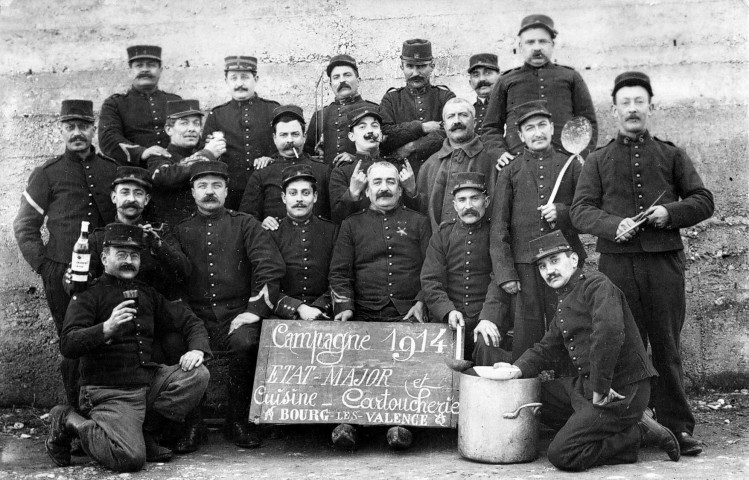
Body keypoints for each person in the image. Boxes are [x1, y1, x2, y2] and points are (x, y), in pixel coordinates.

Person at [571, 71, 714, 456]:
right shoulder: (598, 160)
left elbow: (704, 199)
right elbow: (581, 210)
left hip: (664, 265)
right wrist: (612, 224)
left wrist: (670, 213)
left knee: (666, 346)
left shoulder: (671, 155)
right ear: (614, 110)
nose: (632, 109)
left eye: (639, 102)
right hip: (616, 267)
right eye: (625, 103)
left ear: (650, 107)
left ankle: (677, 427)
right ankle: (628, 427)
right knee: (622, 347)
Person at [497, 231, 680, 471]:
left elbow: (609, 334)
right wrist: (516, 369)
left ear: (573, 260)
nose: (549, 270)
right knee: (531, 395)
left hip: (622, 390)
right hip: (590, 386)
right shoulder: (565, 300)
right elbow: (547, 347)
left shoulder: (597, 285)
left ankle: (632, 436)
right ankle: (616, 425)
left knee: (562, 454)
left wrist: (600, 388)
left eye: (555, 261)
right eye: (542, 266)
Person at [46, 223, 211, 471]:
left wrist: (197, 349)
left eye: (134, 255)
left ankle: (144, 432)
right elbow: (68, 344)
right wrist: (105, 329)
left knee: (198, 375)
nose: (129, 261)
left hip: (146, 382)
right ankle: (68, 419)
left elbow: (188, 320)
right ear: (104, 258)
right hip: (110, 391)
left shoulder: (147, 293)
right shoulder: (88, 295)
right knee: (129, 459)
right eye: (121, 254)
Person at [171, 161, 285, 448]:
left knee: (246, 343)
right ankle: (191, 423)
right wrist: (187, 321)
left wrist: (253, 311)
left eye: (217, 186)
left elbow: (268, 267)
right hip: (196, 319)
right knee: (173, 342)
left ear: (226, 190)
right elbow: (173, 282)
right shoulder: (181, 231)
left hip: (237, 315)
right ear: (193, 192)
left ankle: (238, 420)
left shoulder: (245, 224)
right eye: (203, 186)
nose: (210, 192)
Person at [14, 99, 117, 410]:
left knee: (109, 341)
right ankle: (75, 415)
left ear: (93, 128)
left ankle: (106, 416)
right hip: (62, 274)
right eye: (70, 126)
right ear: (60, 129)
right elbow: (25, 226)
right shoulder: (47, 173)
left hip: (105, 272)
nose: (77, 132)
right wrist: (45, 267)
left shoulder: (111, 170)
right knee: (72, 345)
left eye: (83, 126)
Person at [329, 161, 431, 450]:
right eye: (377, 183)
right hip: (362, 312)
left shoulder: (418, 222)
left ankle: (401, 423)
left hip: (408, 312)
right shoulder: (351, 225)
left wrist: (422, 300)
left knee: (406, 368)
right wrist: (345, 307)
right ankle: (349, 422)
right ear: (367, 190)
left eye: (390, 182)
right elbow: (338, 272)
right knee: (356, 365)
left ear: (400, 190)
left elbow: (433, 269)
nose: (384, 188)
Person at [490, 99, 586, 362]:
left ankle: (567, 390)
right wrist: (506, 272)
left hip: (563, 263)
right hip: (525, 266)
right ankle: (526, 390)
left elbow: (587, 211)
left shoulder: (572, 165)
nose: (537, 132)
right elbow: (499, 225)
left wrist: (563, 213)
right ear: (521, 135)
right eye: (530, 128)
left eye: (542, 125)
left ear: (552, 128)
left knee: (568, 325)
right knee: (527, 331)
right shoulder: (510, 170)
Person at [482, 15, 597, 168]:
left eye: (543, 41)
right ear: (520, 46)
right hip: (519, 165)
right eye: (530, 42)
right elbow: (490, 127)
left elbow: (588, 123)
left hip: (566, 164)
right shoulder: (506, 81)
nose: (537, 47)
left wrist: (582, 155)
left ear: (552, 45)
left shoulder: (570, 77)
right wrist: (499, 153)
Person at [420, 172, 509, 364]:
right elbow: (431, 280)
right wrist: (447, 310)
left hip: (484, 317)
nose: (468, 206)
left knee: (487, 344)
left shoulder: (497, 235)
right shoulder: (443, 235)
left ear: (486, 201)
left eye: (474, 199)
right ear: (454, 205)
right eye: (462, 200)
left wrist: (488, 317)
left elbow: (499, 278)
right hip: (450, 318)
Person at [202, 55, 280, 210]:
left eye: (245, 77)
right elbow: (206, 155)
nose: (239, 84)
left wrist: (271, 158)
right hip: (231, 193)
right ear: (226, 81)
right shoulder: (217, 115)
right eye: (233, 78)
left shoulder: (272, 110)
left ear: (255, 78)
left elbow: (286, 147)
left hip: (267, 188)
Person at [239, 105, 330, 228]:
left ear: (305, 137)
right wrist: (262, 223)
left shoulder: (323, 171)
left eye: (295, 134)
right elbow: (247, 217)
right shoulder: (262, 174)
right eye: (283, 135)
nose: (290, 140)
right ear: (274, 138)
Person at [416, 98, 498, 231]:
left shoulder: (492, 159)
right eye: (451, 117)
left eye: (463, 115)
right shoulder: (429, 166)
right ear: (444, 125)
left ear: (475, 122)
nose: (457, 121)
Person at [328, 105, 418, 223]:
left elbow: (415, 215)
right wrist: (352, 194)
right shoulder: (342, 172)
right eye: (362, 127)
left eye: (375, 126)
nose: (370, 131)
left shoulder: (397, 167)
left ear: (380, 135)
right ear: (351, 136)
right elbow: (337, 218)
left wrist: (411, 190)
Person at [271, 165, 339, 320]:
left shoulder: (332, 231)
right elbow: (266, 282)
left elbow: (340, 277)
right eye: (293, 193)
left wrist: (320, 307)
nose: (299, 199)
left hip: (325, 312)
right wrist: (298, 308)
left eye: (306, 193)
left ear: (315, 197)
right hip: (282, 316)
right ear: (284, 197)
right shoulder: (271, 234)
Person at [380, 39, 455, 176]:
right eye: (410, 66)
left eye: (421, 66)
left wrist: (412, 146)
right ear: (402, 67)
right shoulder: (391, 99)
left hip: (439, 171)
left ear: (432, 66)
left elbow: (451, 131)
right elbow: (386, 136)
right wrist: (421, 128)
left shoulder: (445, 96)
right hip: (400, 172)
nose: (415, 73)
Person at [147, 100, 226, 229]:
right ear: (169, 129)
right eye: (184, 123)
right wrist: (206, 154)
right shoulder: (159, 156)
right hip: (174, 231)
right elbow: (165, 176)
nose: (191, 129)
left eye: (196, 123)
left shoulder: (209, 155)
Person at [98, 45, 181, 166]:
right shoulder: (115, 103)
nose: (145, 70)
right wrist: (142, 152)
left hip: (174, 168)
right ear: (130, 71)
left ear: (161, 70)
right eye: (139, 65)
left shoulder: (175, 101)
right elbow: (108, 138)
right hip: (135, 171)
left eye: (151, 65)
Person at [304, 54, 379, 166]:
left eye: (347, 75)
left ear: (358, 80)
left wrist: (357, 158)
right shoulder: (320, 115)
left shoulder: (374, 110)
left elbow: (384, 152)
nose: (342, 80)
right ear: (330, 85)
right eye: (336, 77)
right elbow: (306, 153)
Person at [467, 54, 500, 134]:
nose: (482, 79)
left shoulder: (508, 107)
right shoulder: (468, 112)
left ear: (500, 78)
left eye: (488, 73)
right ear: (470, 83)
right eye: (476, 75)